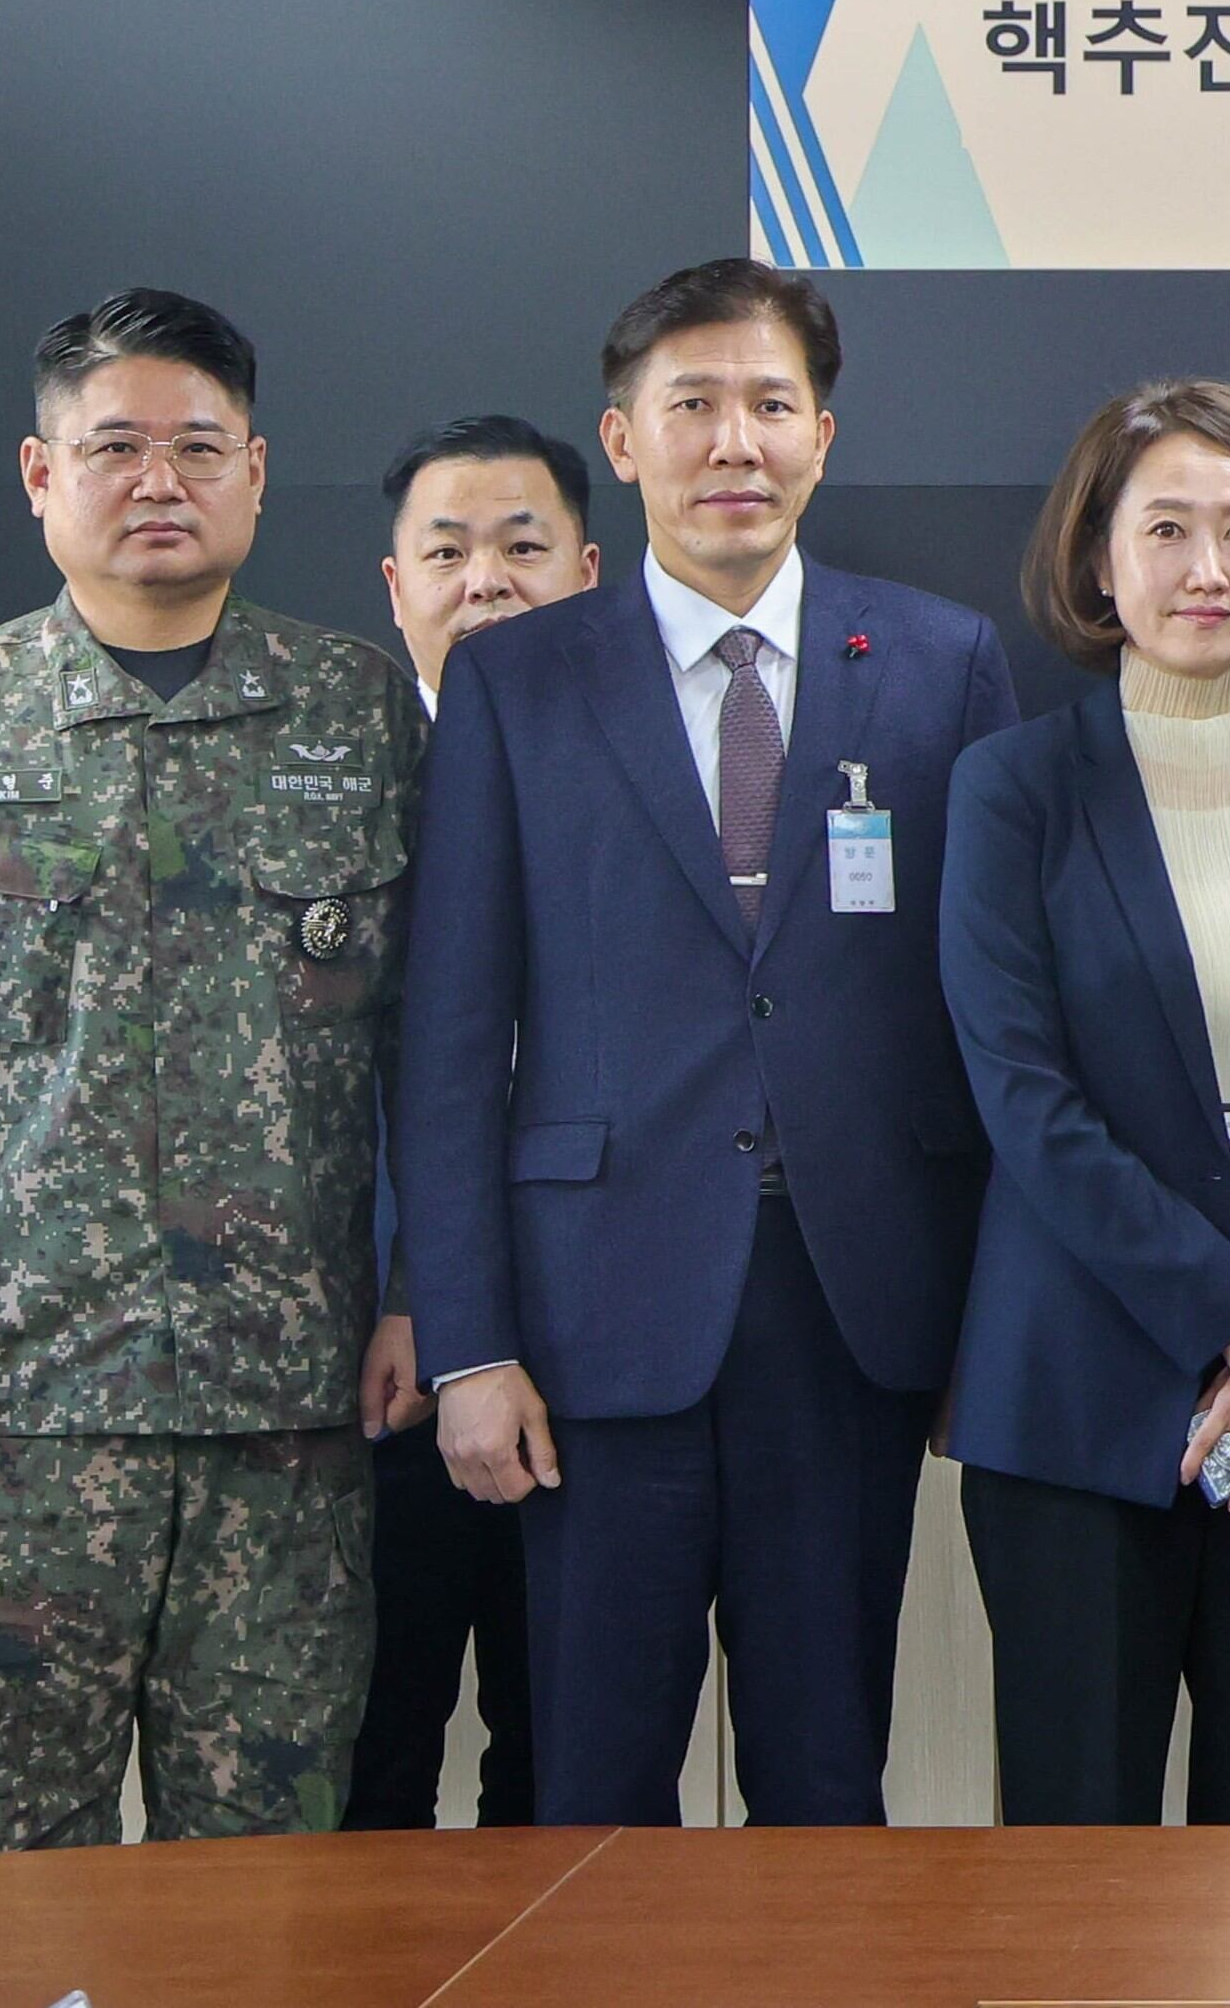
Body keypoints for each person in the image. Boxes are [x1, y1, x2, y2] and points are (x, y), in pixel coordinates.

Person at [0, 288, 422, 1851]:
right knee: (19, 1881)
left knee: (265, 1894)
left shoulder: (359, 711)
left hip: (290, 1424)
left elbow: (443, 1040)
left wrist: (425, 1292)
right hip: (23, 1421)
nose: (158, 480)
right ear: (40, 473)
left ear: (256, 471)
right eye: (115, 446)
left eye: (199, 445)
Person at [399, 257, 1020, 1826]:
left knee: (828, 1776)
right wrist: (469, 1344)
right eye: (693, 404)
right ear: (624, 440)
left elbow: (996, 1018)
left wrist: (987, 1326)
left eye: (769, 404)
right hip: (593, 1313)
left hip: (855, 1303)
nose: (734, 440)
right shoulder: (518, 680)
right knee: (596, 1789)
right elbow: (454, 1038)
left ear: (822, 436)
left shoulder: (940, 662)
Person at [939, 380, 1230, 1824]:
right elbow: (1026, 1098)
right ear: (1098, 559)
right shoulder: (1013, 786)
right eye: (1165, 530)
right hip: (1078, 1400)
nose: (1207, 569)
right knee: (1079, 1858)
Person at [349, 414, 600, 1830]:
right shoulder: (330, 777)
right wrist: (418, 1301)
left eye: (522, 546)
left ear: (590, 571)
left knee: (562, 1766)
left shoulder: (653, 774)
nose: (485, 580)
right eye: (447, 554)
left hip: (596, 1348)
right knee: (367, 1758)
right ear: (397, 586)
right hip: (368, 1364)